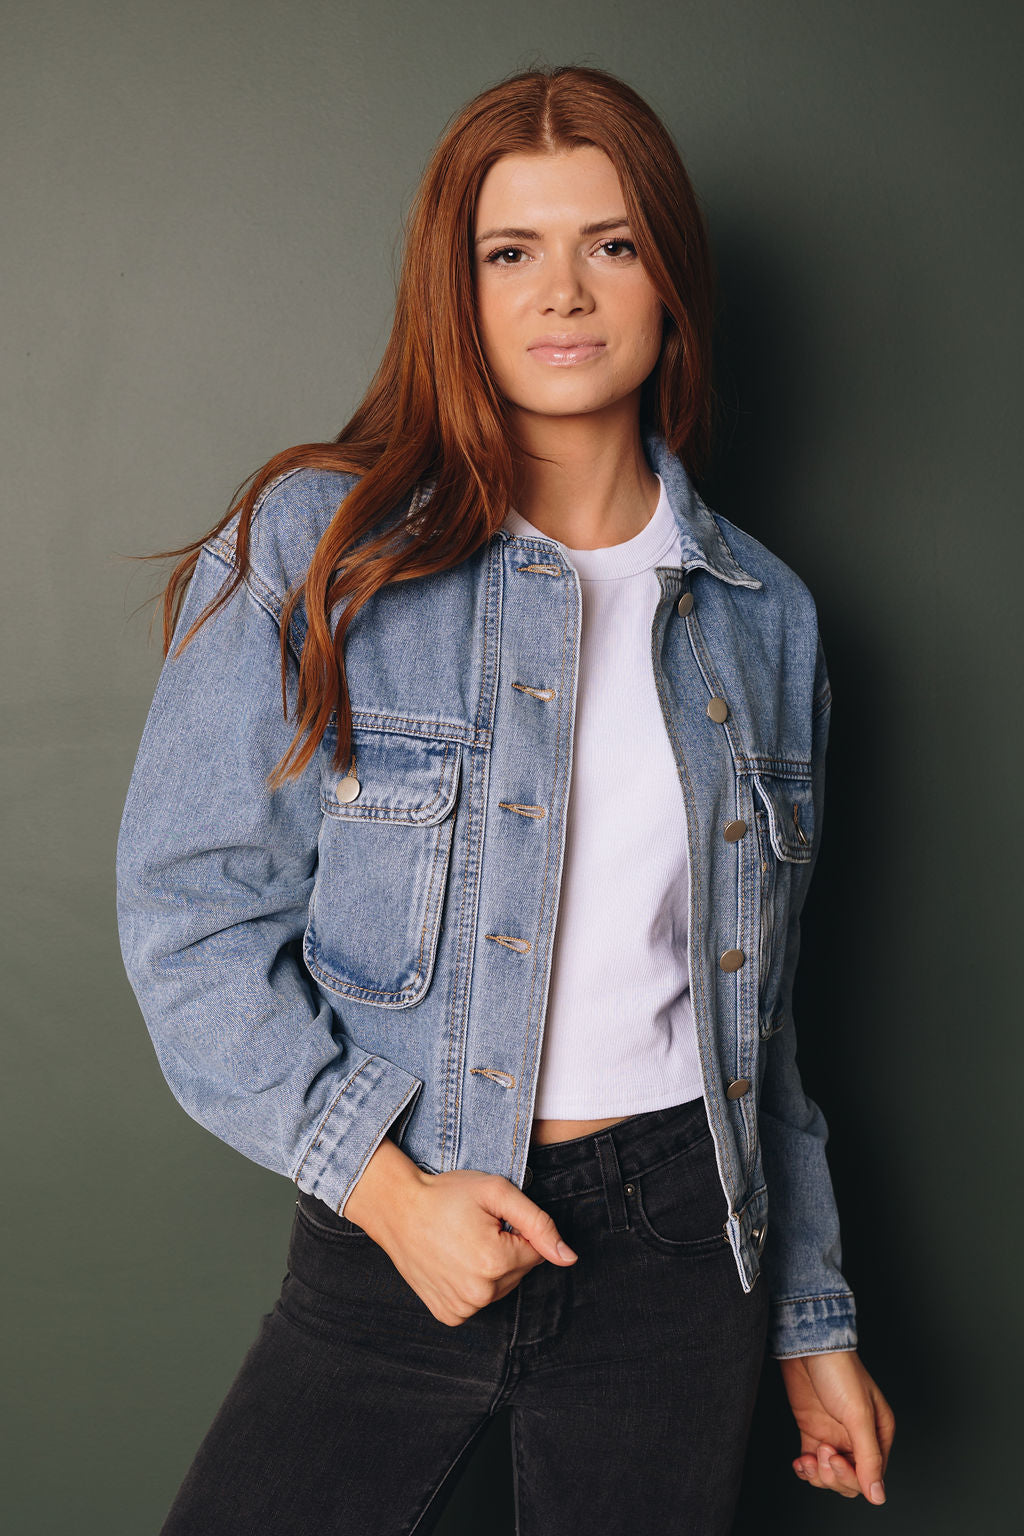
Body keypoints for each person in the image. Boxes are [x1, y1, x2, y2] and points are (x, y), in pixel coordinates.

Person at [116, 63, 894, 1535]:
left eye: (612, 244)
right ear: (455, 291)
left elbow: (760, 1022)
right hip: (399, 1213)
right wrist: (390, 1195)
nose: (564, 292)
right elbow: (191, 919)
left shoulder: (765, 619)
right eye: (511, 251)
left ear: (670, 282)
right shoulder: (317, 547)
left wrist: (812, 1324)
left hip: (684, 1254)